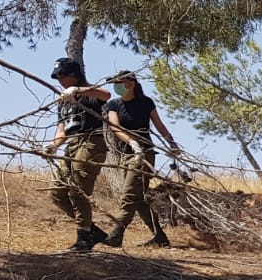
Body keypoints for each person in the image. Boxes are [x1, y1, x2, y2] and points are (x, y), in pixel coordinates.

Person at [101, 71, 179, 248]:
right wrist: (130, 141)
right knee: (138, 198)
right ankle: (159, 236)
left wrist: (172, 144)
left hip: (144, 154)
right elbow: (115, 128)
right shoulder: (114, 104)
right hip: (126, 153)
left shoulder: (146, 103)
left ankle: (117, 233)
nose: (117, 86)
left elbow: (159, 125)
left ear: (132, 83)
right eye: (115, 83)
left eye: (120, 82)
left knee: (130, 194)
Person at [47, 57, 113, 253]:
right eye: (57, 77)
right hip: (72, 145)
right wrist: (52, 146)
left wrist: (78, 90)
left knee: (78, 191)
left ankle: (83, 240)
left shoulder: (89, 93)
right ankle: (91, 230)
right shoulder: (63, 101)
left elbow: (106, 94)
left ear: (74, 75)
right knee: (57, 193)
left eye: (63, 76)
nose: (60, 80)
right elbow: (62, 131)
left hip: (92, 142)